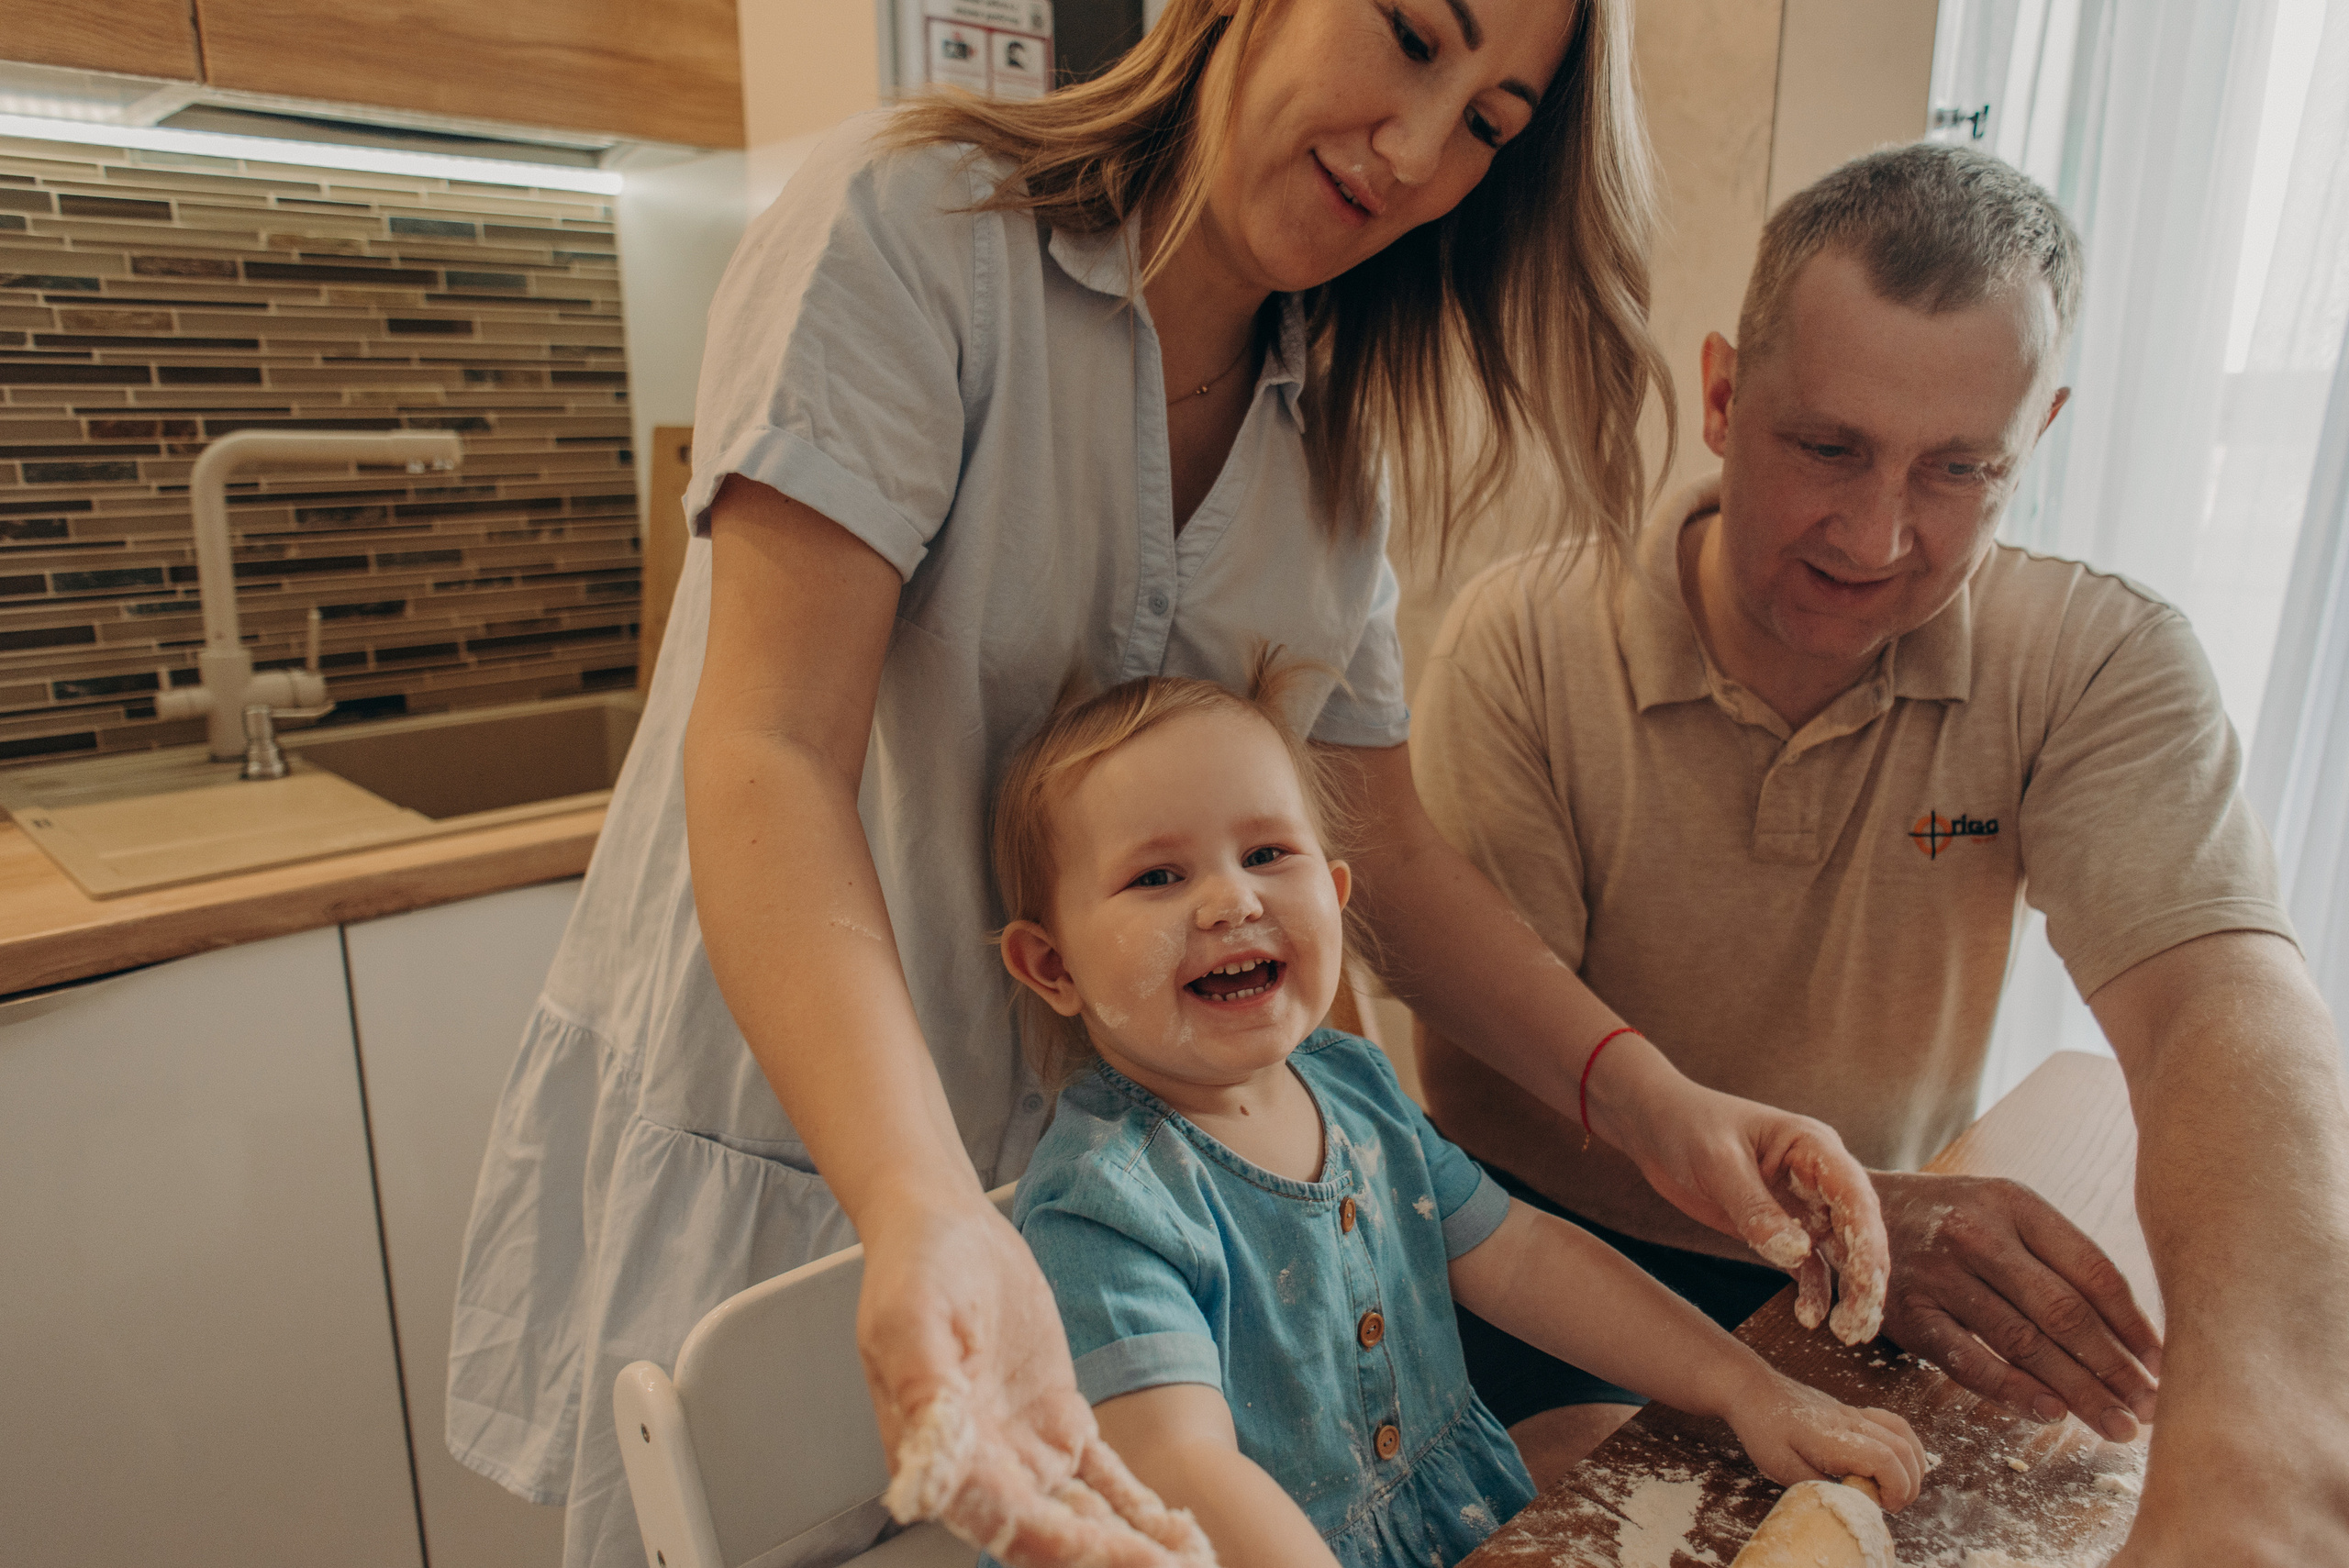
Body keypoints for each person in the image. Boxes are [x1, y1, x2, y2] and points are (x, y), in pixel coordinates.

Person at [447, 5, 1896, 1564]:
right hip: (820, 1150)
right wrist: (924, 1199)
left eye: (1487, 123)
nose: (1416, 153)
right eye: (1412, 36)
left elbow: (1386, 852)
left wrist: (1651, 1102)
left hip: (1108, 1223)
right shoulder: (917, 236)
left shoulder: (1335, 429)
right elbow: (771, 752)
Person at [1410, 142, 2349, 1564]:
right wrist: (1855, 1232)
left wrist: (2266, 1460)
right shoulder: (1527, 645)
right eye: (1828, 448)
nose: (1877, 536)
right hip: (1555, 1275)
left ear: (2042, 430)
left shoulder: (2097, 659)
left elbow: (2227, 1014)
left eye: (1961, 468)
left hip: (1877, 1291)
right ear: (1724, 396)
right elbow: (1487, 1087)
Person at [987, 664, 1925, 1568]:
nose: (1232, 898)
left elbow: (1520, 1255)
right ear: (1052, 966)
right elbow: (1185, 1470)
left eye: (1268, 853)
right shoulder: (1102, 1206)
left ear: (1336, 894)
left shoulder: (1352, 1084)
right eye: (1156, 876)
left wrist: (1746, 1387)